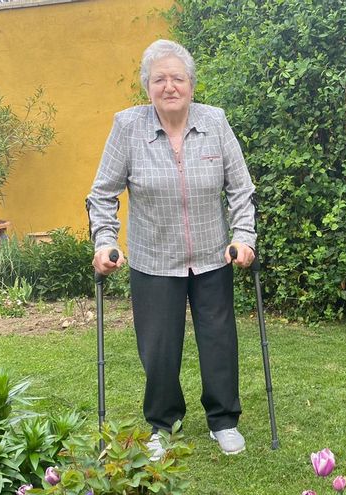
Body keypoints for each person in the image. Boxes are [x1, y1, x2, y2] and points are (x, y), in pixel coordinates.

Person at [87, 39, 256, 457]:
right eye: (159, 79)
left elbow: (241, 188)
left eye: (177, 78)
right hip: (153, 259)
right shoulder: (128, 126)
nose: (169, 86)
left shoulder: (214, 121)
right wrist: (105, 241)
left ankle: (223, 420)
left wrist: (243, 237)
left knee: (219, 341)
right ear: (148, 87)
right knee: (159, 347)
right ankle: (163, 423)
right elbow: (102, 193)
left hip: (213, 256)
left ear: (191, 85)